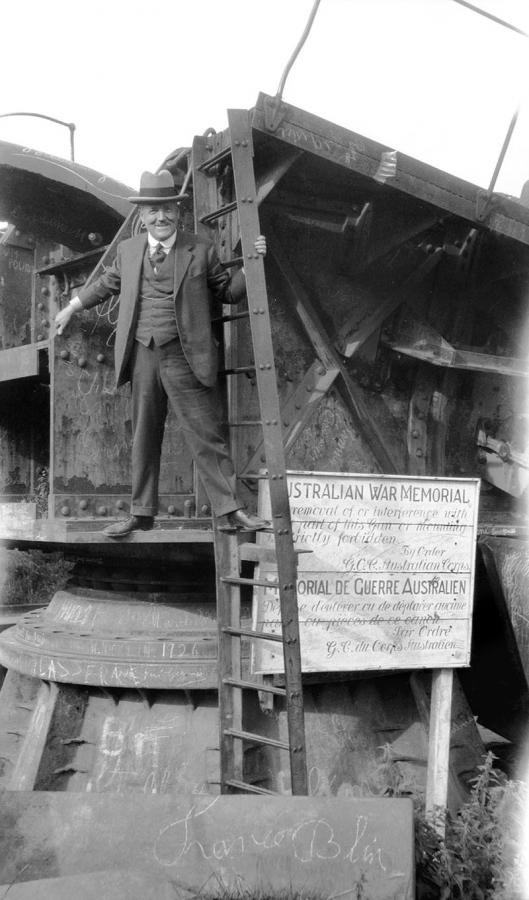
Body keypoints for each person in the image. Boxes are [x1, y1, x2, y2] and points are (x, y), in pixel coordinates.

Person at [55, 169, 269, 537]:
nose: (161, 217)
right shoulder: (129, 250)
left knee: (206, 435)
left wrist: (252, 263)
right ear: (142, 216)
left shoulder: (199, 249)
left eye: (167, 209)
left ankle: (230, 511)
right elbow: (106, 284)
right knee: (144, 434)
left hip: (187, 355)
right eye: (153, 212)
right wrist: (72, 306)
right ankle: (141, 513)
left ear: (178, 212)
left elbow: (227, 293)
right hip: (143, 355)